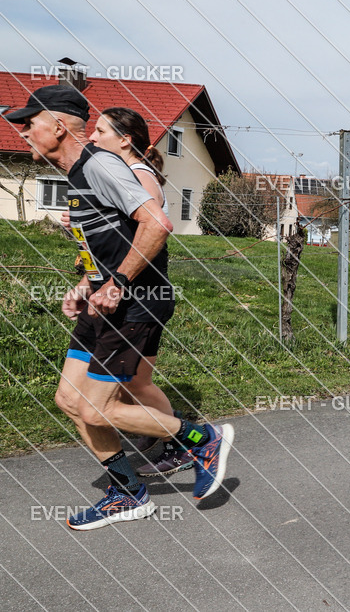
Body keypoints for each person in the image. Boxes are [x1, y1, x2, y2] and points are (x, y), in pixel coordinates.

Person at [4, 86, 234, 529]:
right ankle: (128, 493)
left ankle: (200, 439)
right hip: (104, 300)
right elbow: (110, 242)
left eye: (30, 122)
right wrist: (85, 283)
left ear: (57, 126)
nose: (24, 131)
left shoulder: (102, 164)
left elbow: (157, 223)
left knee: (97, 409)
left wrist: (118, 283)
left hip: (133, 304)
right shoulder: (75, 173)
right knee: (70, 399)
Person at [89, 107, 195, 477]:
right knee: (136, 381)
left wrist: (117, 277)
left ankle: (182, 442)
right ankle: (167, 433)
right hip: (139, 293)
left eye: (100, 131)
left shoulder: (138, 174)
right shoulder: (126, 172)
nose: (92, 137)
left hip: (143, 293)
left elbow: (152, 226)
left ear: (125, 139)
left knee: (136, 382)